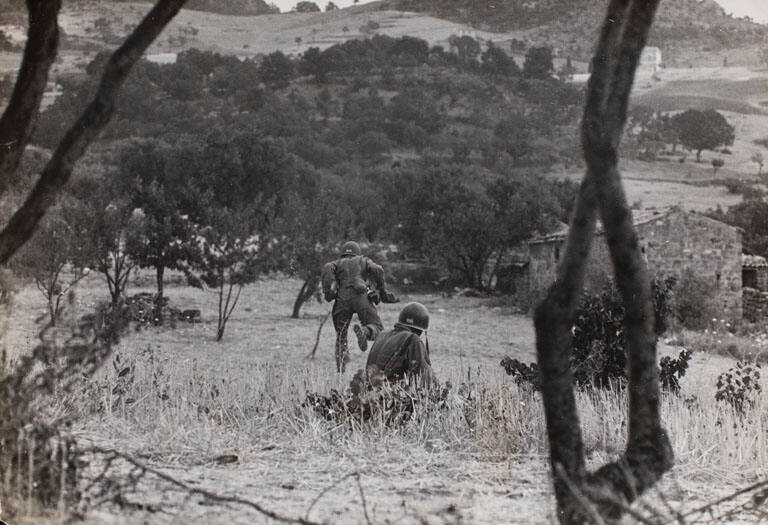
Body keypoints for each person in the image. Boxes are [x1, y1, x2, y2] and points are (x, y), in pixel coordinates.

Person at [321, 241, 392, 372]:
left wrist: (328, 293)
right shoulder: (363, 260)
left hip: (342, 298)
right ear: (357, 253)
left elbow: (327, 268)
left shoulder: (337, 263)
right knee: (377, 327)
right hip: (361, 296)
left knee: (341, 336)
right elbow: (378, 269)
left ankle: (341, 369)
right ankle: (365, 331)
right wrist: (382, 291)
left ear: (343, 254)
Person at [361, 302, 437, 391]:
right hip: (388, 394)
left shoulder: (382, 334)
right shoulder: (412, 339)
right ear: (420, 330)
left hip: (368, 392)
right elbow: (424, 377)